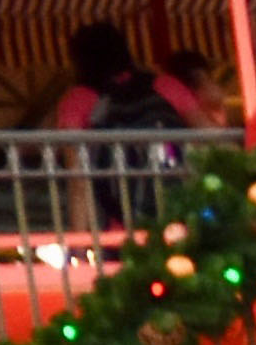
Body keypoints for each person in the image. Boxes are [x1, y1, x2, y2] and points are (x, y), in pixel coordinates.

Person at [58, 19, 207, 229]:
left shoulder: (78, 100)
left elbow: (78, 180)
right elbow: (211, 137)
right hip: (178, 216)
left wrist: (79, 243)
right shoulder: (164, 85)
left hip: (120, 225)